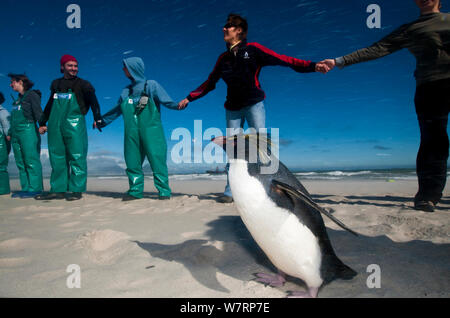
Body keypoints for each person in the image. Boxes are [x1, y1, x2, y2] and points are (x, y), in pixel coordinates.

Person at [178, 13, 330, 203]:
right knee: (234, 149)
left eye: (229, 26)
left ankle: (269, 187)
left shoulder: (253, 49)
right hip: (232, 109)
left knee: (262, 148)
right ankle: (230, 192)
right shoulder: (223, 59)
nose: (224, 29)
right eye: (225, 26)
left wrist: (313, 66)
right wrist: (189, 98)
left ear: (239, 30)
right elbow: (210, 82)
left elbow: (283, 59)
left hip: (254, 105)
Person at [320, 0, 449, 212]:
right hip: (430, 86)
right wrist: (338, 61)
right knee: (434, 142)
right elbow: (378, 49)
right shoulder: (410, 29)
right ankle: (428, 196)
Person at [97, 57, 180, 201]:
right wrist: (103, 121)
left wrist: (178, 105)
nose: (123, 70)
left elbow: (166, 100)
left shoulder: (151, 85)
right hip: (131, 131)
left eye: (125, 67)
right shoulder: (126, 91)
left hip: (152, 131)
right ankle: (135, 191)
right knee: (132, 161)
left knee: (157, 160)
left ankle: (164, 191)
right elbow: (118, 109)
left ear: (133, 68)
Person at [35, 55, 103, 201]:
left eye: (75, 66)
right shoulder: (56, 84)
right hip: (55, 123)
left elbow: (94, 102)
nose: (73, 68)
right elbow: (50, 104)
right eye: (70, 65)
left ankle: (76, 189)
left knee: (77, 155)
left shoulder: (84, 84)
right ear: (62, 67)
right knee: (57, 155)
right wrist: (42, 121)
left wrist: (97, 118)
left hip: (75, 122)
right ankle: (58, 189)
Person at [8, 74, 44, 198]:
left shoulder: (32, 95)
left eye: (12, 82)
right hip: (15, 133)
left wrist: (42, 124)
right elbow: (12, 119)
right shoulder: (16, 100)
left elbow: (37, 110)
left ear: (20, 82)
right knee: (20, 161)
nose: (10, 85)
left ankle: (36, 188)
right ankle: (26, 187)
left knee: (30, 159)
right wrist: (10, 133)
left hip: (28, 130)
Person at [0, 92, 11, 195]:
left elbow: (7, 127)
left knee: (1, 166)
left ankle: (3, 190)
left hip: (1, 142)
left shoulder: (3, 111)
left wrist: (8, 138)